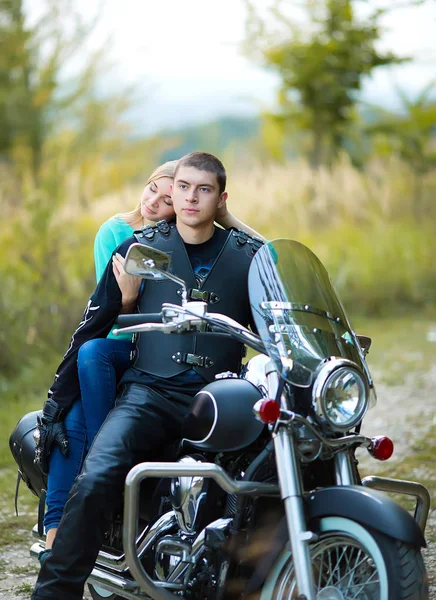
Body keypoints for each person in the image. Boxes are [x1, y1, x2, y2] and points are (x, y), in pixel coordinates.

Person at [31, 151, 263, 600]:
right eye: (184, 187)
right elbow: (93, 325)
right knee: (97, 474)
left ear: (221, 198)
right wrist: (57, 399)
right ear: (173, 192)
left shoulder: (248, 256)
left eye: (204, 190)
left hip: (222, 398)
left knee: (262, 477)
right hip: (148, 393)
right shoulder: (138, 250)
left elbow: (278, 305)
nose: (191, 197)